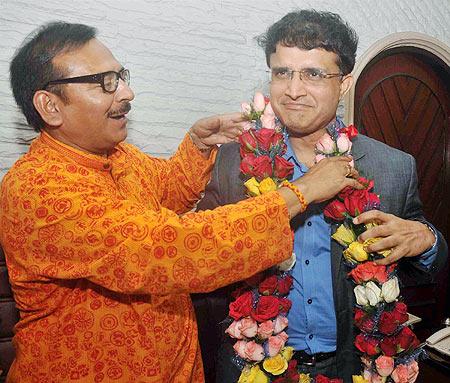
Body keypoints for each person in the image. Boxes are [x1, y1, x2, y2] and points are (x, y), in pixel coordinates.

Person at [0, 21, 362, 383]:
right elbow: (170, 247)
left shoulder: (118, 156)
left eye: (121, 76)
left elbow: (167, 190)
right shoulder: (38, 189)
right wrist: (301, 192)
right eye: (105, 82)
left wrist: (198, 146)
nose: (127, 92)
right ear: (50, 106)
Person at [194, 9, 448, 383]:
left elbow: (428, 260)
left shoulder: (392, 166)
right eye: (282, 72)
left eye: (313, 74)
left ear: (344, 83)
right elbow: (199, 256)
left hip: (353, 365)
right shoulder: (232, 162)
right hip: (251, 364)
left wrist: (428, 240)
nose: (293, 90)